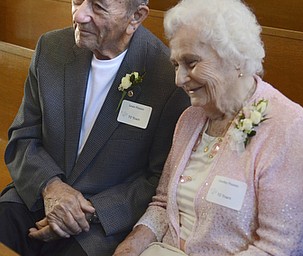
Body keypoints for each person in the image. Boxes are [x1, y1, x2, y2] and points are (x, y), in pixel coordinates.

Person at [113, 0, 303, 255]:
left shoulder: (287, 127)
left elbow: (279, 248)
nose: (179, 80)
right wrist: (131, 246)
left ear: (234, 57)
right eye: (176, 65)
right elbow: (163, 204)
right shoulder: (190, 119)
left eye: (191, 63)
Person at [0, 0, 190, 255]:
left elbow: (157, 179)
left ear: (136, 17)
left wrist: (87, 212)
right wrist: (52, 187)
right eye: (77, 0)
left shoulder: (167, 77)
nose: (79, 15)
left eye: (98, 7)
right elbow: (23, 137)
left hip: (100, 221)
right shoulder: (51, 47)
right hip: (36, 193)